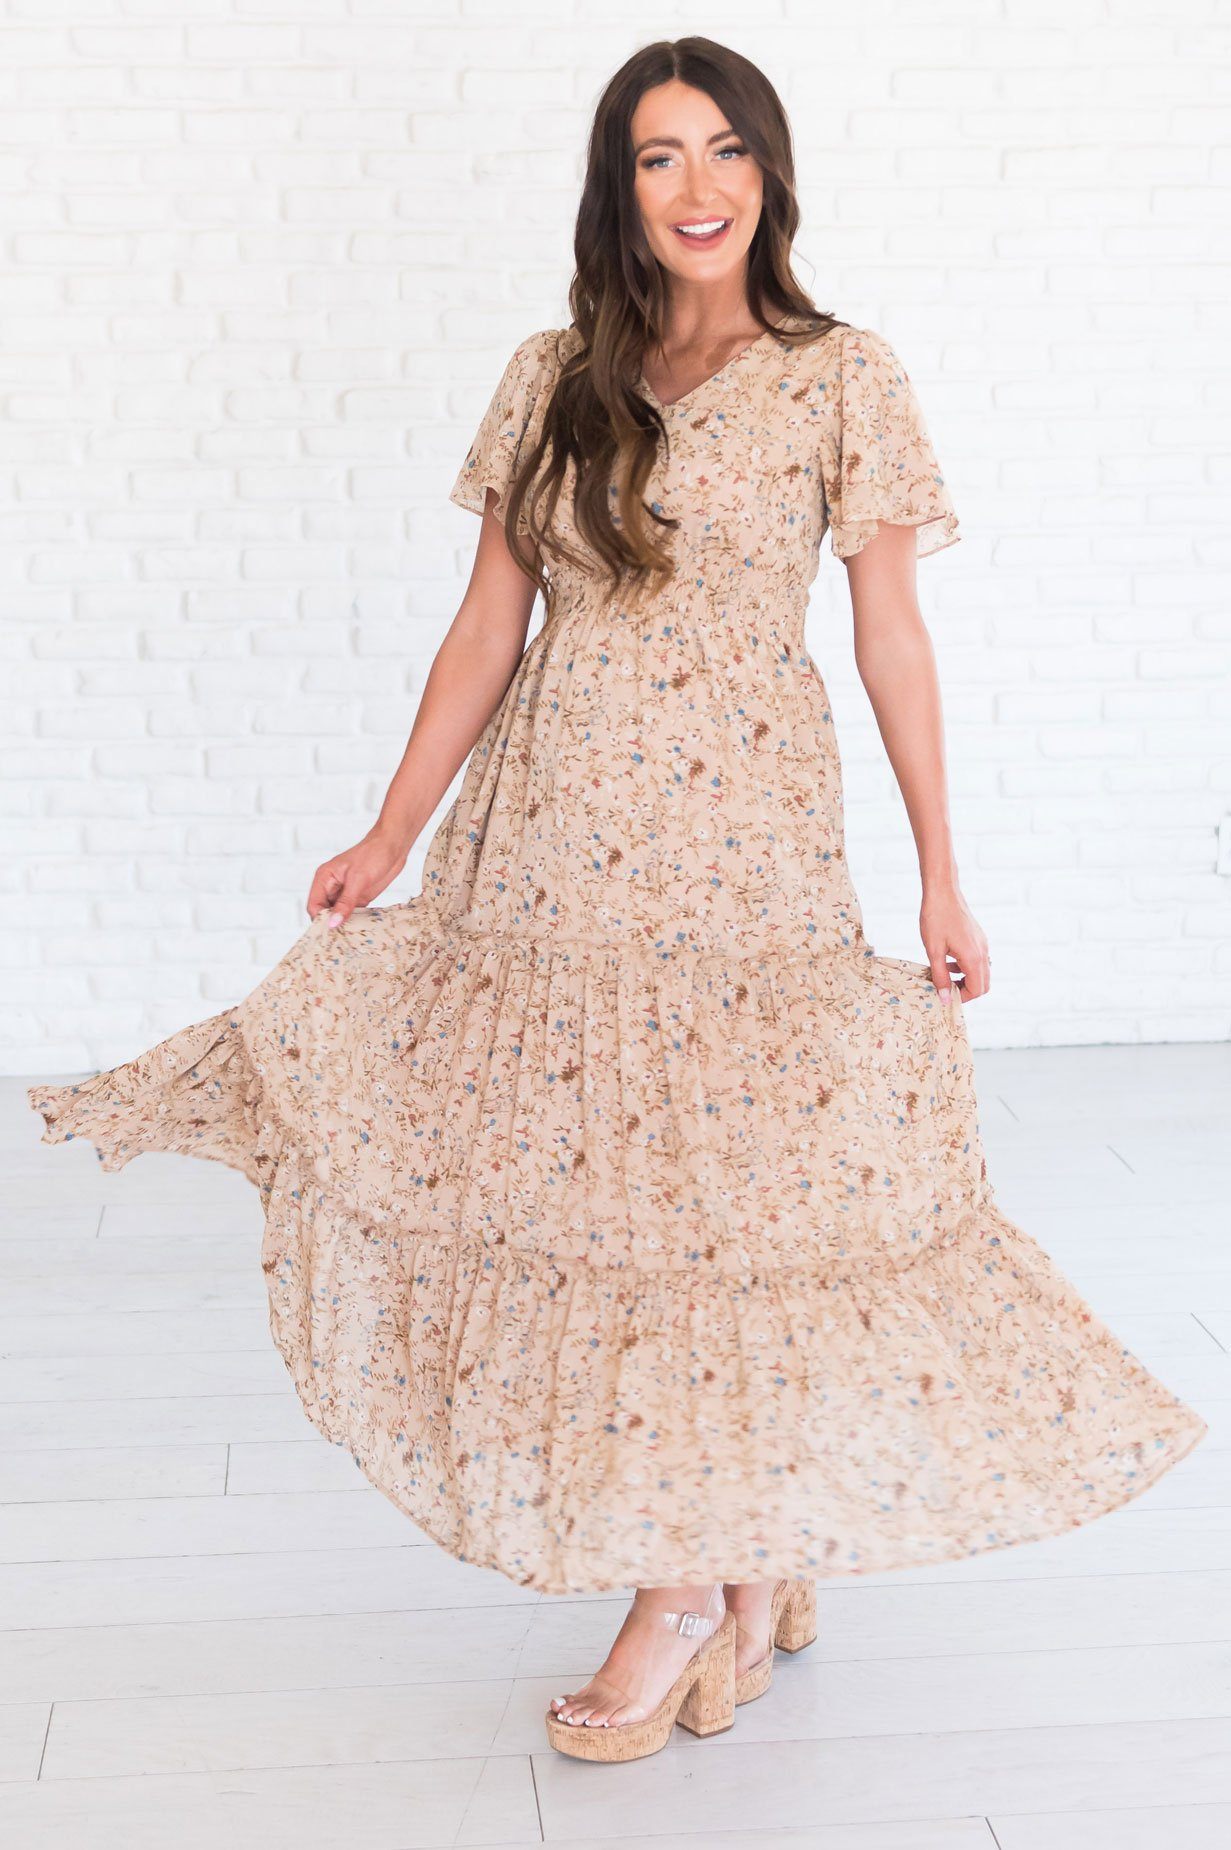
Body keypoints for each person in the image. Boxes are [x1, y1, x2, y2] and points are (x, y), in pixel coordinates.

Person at [27, 37, 1208, 1766]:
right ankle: (731, 1557)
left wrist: (944, 867)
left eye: (726, 150)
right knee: (605, 1197)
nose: (698, 187)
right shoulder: (553, 375)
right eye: (660, 157)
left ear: (771, 174)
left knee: (727, 1201)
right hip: (552, 843)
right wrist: (392, 828)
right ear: (619, 187)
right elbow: (486, 624)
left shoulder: (841, 376)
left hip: (744, 847)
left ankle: (691, 1583)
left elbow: (891, 634)